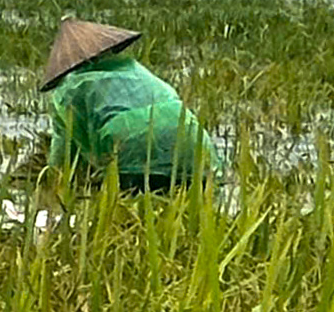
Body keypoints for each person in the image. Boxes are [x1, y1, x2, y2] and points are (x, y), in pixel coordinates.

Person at [39, 17, 216, 191]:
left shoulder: (67, 92)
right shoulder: (137, 70)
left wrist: (53, 183)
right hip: (192, 137)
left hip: (132, 152)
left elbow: (62, 160)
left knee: (134, 206)